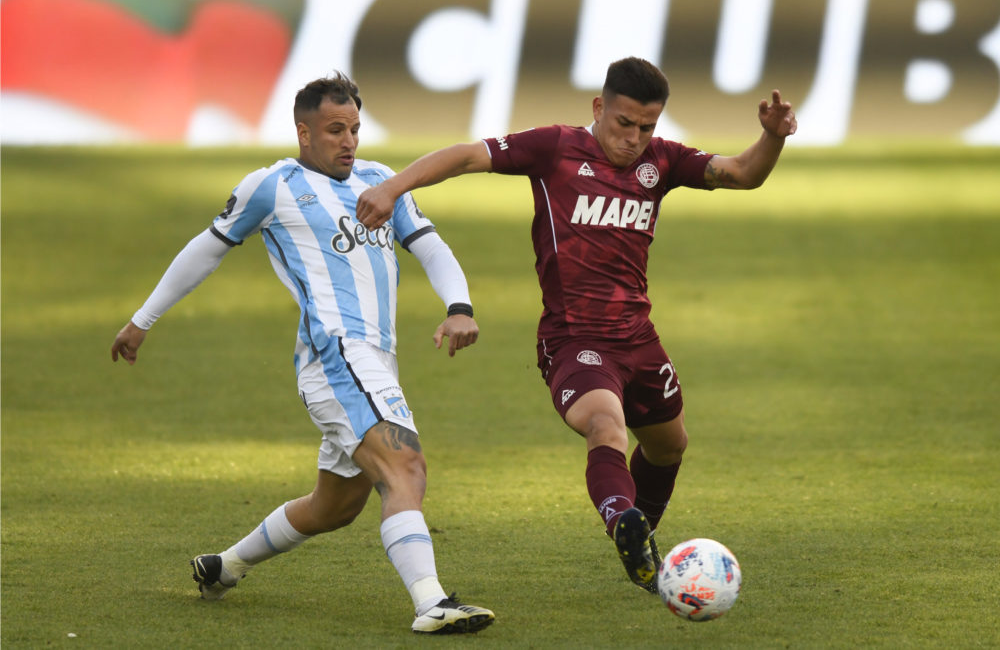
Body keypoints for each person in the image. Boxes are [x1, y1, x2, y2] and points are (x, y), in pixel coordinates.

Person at [355, 57, 797, 593]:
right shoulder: (555, 148)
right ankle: (622, 521)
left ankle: (641, 544)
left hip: (639, 338)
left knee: (668, 447)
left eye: (647, 127)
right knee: (605, 425)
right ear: (598, 108)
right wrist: (393, 187)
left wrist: (770, 137)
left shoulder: (663, 161)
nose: (635, 138)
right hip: (574, 340)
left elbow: (741, 173)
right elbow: (468, 155)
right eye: (624, 124)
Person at [110, 72, 495, 634]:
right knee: (405, 465)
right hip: (336, 356)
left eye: (355, 129)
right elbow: (206, 249)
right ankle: (431, 603)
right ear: (304, 132)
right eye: (335, 130)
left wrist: (459, 305)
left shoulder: (382, 182)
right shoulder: (272, 186)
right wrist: (142, 320)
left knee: (334, 507)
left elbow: (432, 248)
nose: (349, 141)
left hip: (375, 360)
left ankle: (226, 566)